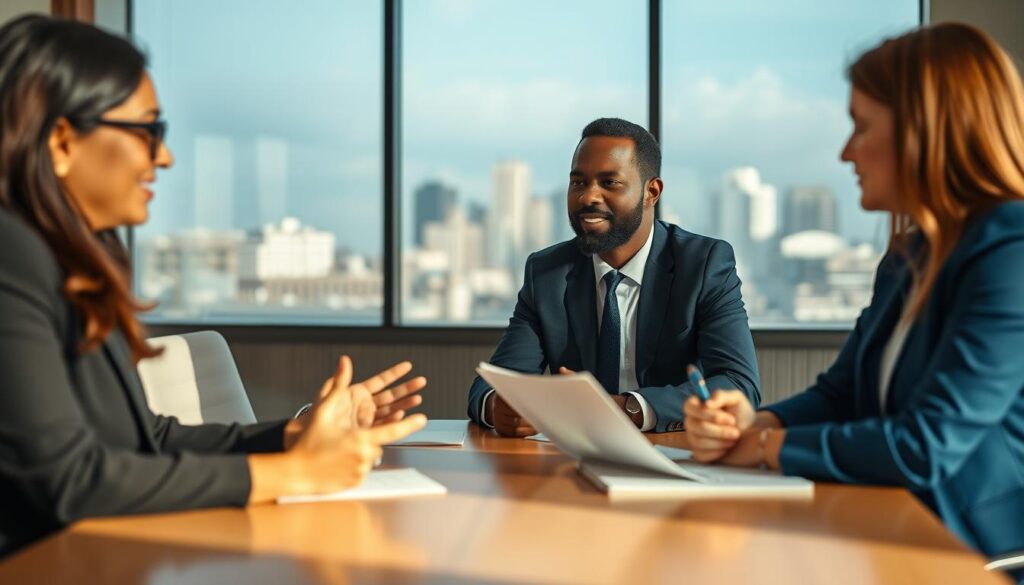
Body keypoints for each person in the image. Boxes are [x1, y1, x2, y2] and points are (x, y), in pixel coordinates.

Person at [0, 15, 426, 557]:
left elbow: (146, 440)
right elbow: (69, 482)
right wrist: (291, 474)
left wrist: (293, 436)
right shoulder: (12, 260)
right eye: (148, 131)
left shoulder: (68, 263)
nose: (165, 156)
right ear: (61, 142)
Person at [682, 23, 1024, 578]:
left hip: (976, 555)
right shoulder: (910, 254)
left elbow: (925, 445)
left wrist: (767, 448)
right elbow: (842, 394)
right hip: (886, 524)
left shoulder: (1011, 250)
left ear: (923, 131)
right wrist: (755, 421)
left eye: (861, 127)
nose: (845, 152)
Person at [468, 117, 760, 436]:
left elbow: (739, 386)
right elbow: (491, 383)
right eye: (578, 182)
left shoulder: (704, 264)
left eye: (609, 183)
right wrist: (499, 407)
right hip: (573, 461)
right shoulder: (546, 272)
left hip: (676, 455)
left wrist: (625, 409)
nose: (588, 197)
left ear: (651, 192)